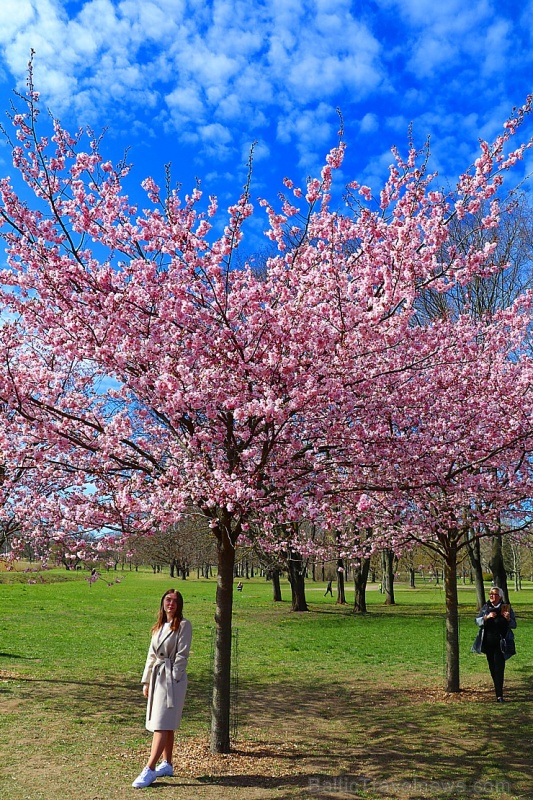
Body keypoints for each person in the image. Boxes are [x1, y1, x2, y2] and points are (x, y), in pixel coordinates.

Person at [132, 589, 192, 788]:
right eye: (168, 600)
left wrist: (174, 679)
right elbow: (151, 655)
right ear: (162, 603)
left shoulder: (183, 626)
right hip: (157, 678)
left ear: (180, 604)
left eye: (175, 601)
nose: (171, 604)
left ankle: (149, 769)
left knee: (162, 723)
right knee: (166, 722)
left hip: (172, 680)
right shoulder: (158, 627)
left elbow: (182, 655)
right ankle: (167, 763)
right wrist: (147, 681)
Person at [473, 586, 516, 703]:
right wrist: (487, 617)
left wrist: (508, 619)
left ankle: (499, 695)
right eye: (490, 594)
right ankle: (498, 691)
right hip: (488, 643)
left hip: (501, 644)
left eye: (494, 594)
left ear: (500, 596)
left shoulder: (506, 608)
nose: (491, 596)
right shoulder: (486, 607)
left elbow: (514, 624)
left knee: (499, 668)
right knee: (492, 668)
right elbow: (477, 621)